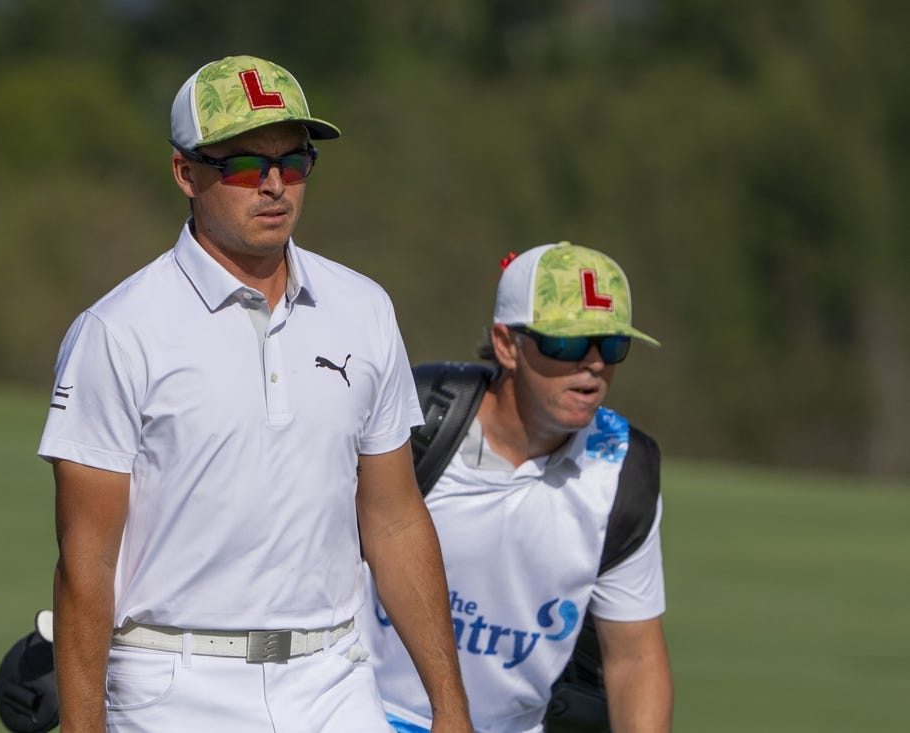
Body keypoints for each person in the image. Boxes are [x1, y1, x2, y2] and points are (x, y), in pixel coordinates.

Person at [37, 55, 472, 733]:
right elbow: (86, 559)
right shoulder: (117, 331)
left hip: (336, 677)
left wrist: (450, 706)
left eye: (293, 163)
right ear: (186, 172)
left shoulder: (364, 307)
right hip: (172, 683)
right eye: (244, 166)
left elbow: (393, 519)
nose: (273, 186)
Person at [358, 242, 674, 733]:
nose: (593, 364)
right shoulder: (419, 423)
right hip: (364, 716)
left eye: (612, 345)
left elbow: (634, 659)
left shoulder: (623, 468)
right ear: (506, 344)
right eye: (567, 343)